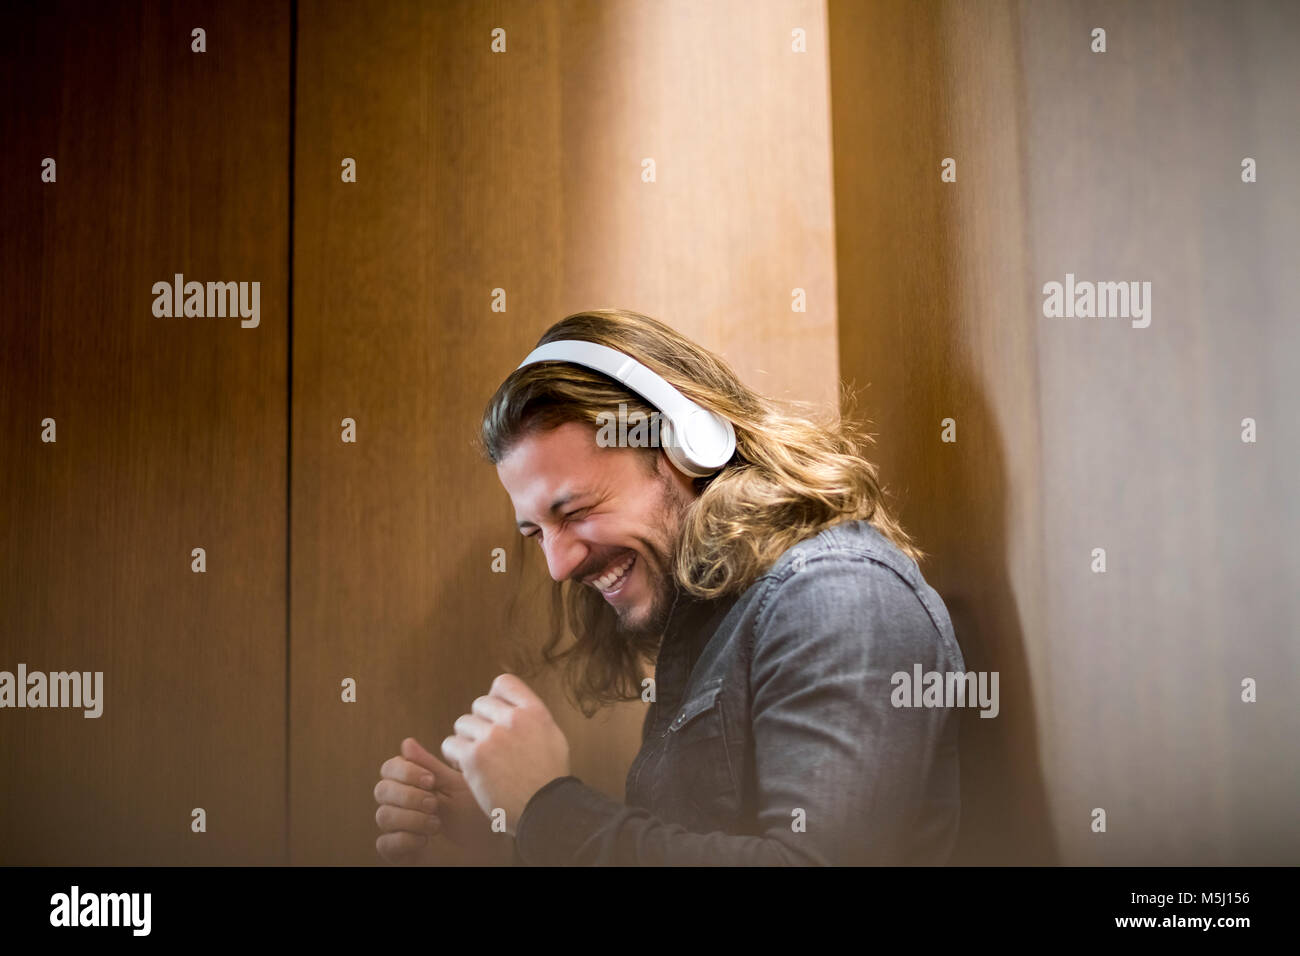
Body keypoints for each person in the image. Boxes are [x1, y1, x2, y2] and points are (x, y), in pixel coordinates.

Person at [374, 308, 965, 865]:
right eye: (535, 532)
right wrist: (512, 831)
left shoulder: (838, 595)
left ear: (688, 445)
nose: (557, 565)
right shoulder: (717, 622)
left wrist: (547, 809)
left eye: (575, 510)